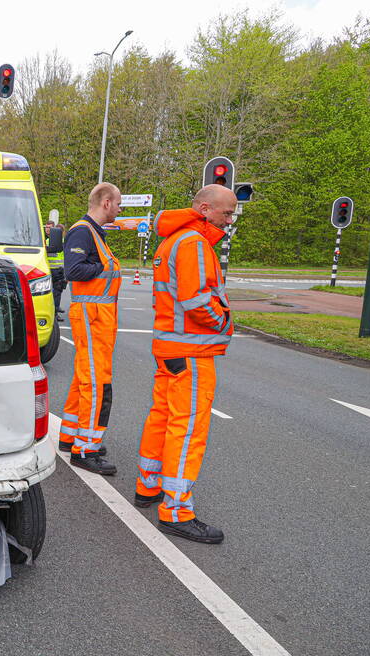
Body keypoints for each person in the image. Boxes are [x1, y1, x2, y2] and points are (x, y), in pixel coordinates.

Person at [135, 184, 237, 544]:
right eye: (227, 212)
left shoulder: (173, 240)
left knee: (162, 418)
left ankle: (148, 486)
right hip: (192, 351)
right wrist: (224, 322)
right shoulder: (194, 243)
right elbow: (196, 300)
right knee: (188, 428)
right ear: (205, 208)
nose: (230, 220)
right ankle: (177, 510)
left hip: (170, 347)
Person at [58, 183, 123, 475]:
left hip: (97, 317)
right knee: (96, 384)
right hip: (92, 317)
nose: (119, 209)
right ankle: (86, 449)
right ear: (106, 202)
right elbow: (73, 270)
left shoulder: (94, 232)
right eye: (118, 203)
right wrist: (101, 268)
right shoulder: (83, 231)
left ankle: (70, 436)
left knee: (84, 379)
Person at [46, 222, 67, 316]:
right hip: (55, 270)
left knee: (55, 292)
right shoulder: (63, 242)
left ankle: (55, 310)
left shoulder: (49, 241)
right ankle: (54, 312)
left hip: (55, 270)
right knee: (56, 292)